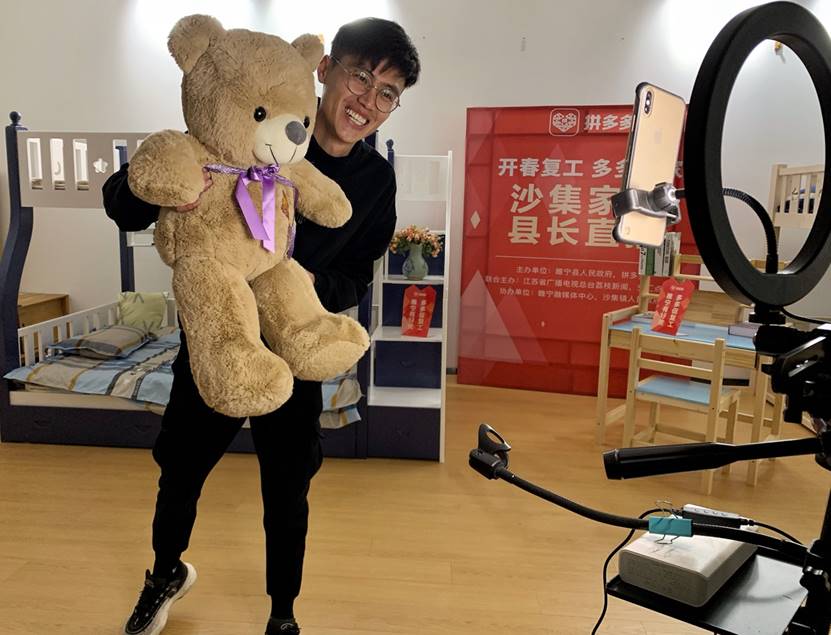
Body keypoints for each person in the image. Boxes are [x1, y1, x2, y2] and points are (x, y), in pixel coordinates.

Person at [103, 17, 420, 635]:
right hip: (217, 339)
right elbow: (121, 202)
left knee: (288, 482)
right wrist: (169, 194)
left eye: (388, 93)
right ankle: (165, 573)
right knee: (181, 466)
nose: (368, 100)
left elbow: (357, 274)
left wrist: (293, 286)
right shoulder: (237, 127)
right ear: (323, 69)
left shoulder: (374, 180)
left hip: (293, 350)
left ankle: (283, 613)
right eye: (360, 76)